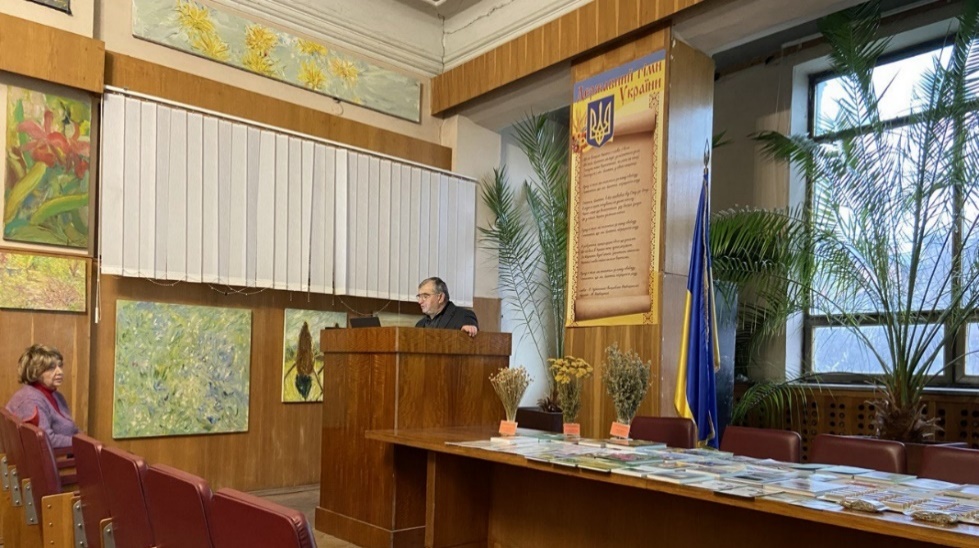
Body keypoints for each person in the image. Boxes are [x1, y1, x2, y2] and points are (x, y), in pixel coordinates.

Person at [6, 344, 79, 449]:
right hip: (54, 457)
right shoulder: (30, 399)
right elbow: (46, 440)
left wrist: (87, 442)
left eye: (60, 366)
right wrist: (84, 444)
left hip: (65, 453)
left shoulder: (56, 395)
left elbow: (73, 430)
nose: (60, 372)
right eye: (51, 368)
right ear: (36, 372)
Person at [414, 277, 479, 337]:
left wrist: (471, 329)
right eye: (419, 297)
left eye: (425, 297)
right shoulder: (420, 324)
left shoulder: (463, 316)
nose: (420, 301)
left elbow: (472, 336)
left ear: (440, 297)